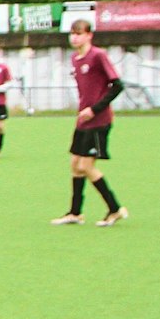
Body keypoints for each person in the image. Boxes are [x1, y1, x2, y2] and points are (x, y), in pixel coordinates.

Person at [51, 18, 128, 226]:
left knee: (86, 165)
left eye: (79, 33)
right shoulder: (75, 59)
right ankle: (75, 213)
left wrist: (95, 109)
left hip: (99, 120)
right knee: (75, 164)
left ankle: (115, 209)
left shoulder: (98, 56)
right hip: (82, 120)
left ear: (89, 35)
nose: (74, 37)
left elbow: (117, 85)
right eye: (72, 33)